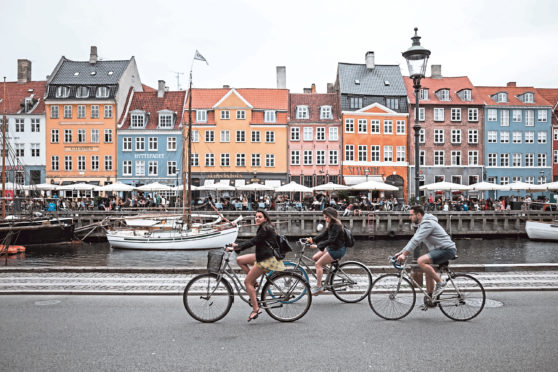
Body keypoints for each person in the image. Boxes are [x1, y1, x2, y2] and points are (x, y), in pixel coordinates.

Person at [227, 210, 284, 322]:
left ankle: (256, 309)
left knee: (247, 282)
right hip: (262, 255)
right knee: (239, 260)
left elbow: (254, 241)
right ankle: (255, 282)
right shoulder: (265, 227)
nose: (257, 218)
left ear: (265, 219)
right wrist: (237, 245)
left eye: (260, 217)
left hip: (266, 259)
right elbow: (254, 241)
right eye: (256, 216)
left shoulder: (265, 229)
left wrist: (236, 247)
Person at [395, 205, 457, 299]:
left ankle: (441, 282)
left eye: (411, 215)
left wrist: (404, 255)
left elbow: (416, 240)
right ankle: (431, 297)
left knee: (421, 261)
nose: (409, 217)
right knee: (427, 269)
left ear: (418, 215)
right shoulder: (422, 224)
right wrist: (401, 252)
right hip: (439, 250)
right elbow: (413, 240)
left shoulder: (428, 224)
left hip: (447, 250)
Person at [306, 207, 346, 295]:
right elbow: (324, 235)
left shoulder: (336, 225)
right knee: (315, 257)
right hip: (332, 247)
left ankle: (319, 287)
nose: (325, 219)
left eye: (326, 217)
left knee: (318, 264)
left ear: (331, 217)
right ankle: (328, 270)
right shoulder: (331, 225)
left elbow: (331, 240)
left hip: (337, 250)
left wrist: (317, 245)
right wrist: (312, 239)